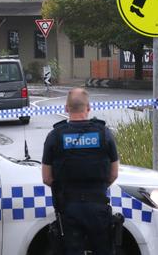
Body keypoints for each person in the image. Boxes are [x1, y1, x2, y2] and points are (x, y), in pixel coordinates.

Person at [42, 88, 119, 255]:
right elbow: (114, 174)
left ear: (66, 108)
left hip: (69, 208)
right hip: (98, 206)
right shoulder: (104, 134)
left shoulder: (55, 136)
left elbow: (47, 178)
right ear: (89, 107)